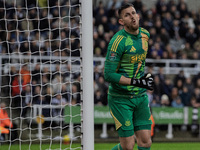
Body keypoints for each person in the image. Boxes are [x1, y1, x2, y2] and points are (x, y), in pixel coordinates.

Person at [104, 3, 154, 150]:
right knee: (128, 146)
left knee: (146, 142)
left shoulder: (145, 35)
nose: (132, 16)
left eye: (133, 13)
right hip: (120, 98)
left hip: (140, 96)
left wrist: (143, 79)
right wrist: (137, 81)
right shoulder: (117, 42)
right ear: (121, 22)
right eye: (127, 15)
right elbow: (109, 74)